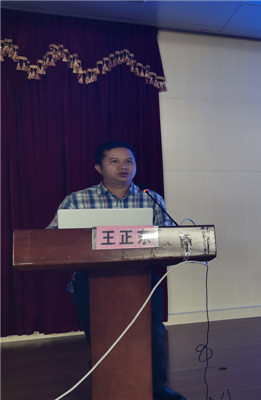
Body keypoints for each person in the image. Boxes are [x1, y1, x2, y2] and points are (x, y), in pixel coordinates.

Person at [48, 140, 185, 400]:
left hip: (143, 280)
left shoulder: (151, 199)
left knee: (152, 336)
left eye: (129, 161)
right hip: (91, 283)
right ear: (99, 168)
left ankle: (157, 390)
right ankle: (109, 390)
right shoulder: (77, 200)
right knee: (103, 339)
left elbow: (168, 239)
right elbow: (52, 241)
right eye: (114, 161)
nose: (124, 167)